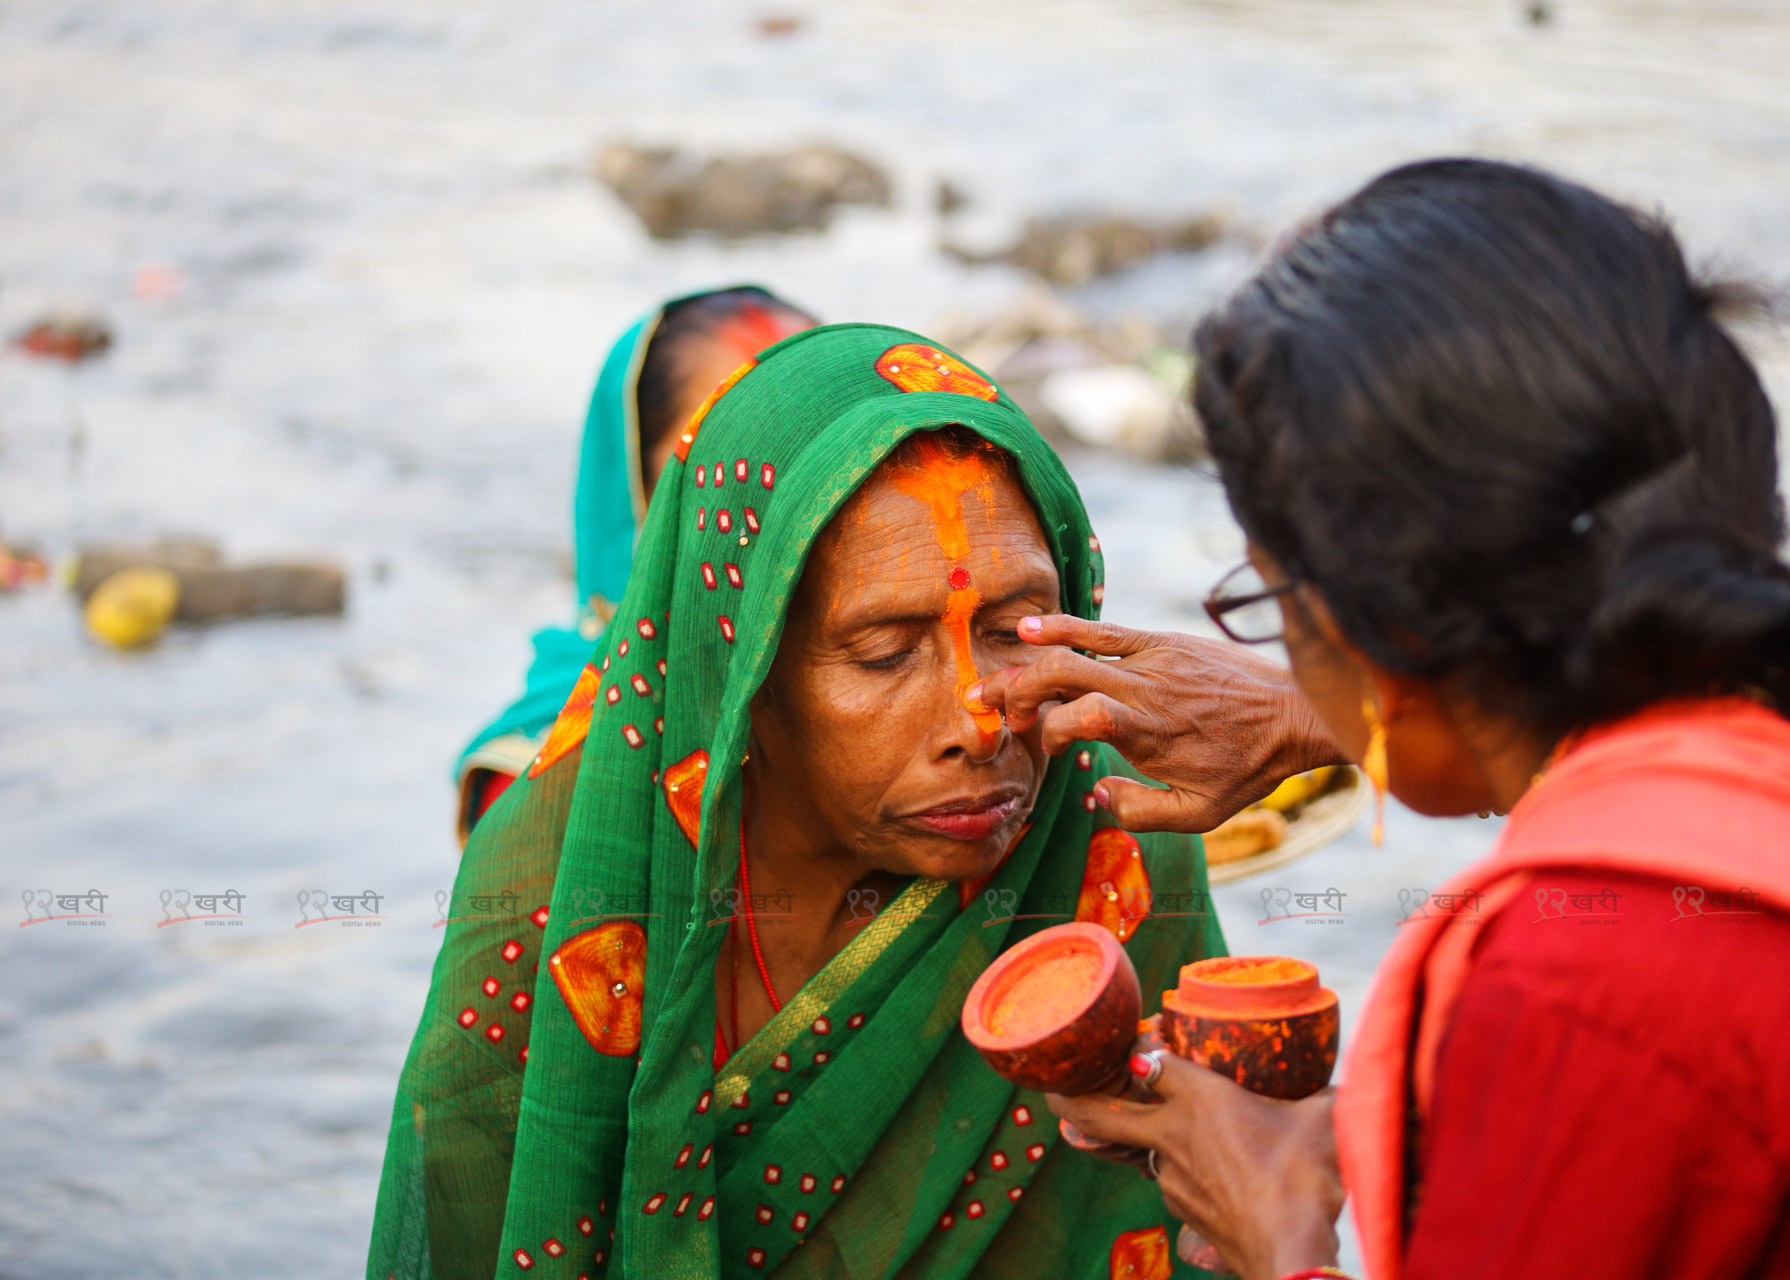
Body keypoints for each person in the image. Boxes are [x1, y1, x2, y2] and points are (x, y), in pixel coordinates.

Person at [981, 160, 1790, 1279]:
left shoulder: (1576, 982)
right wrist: (1326, 716)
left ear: (1376, 629)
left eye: (1273, 606)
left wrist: (1278, 1236)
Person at [371, 324, 1226, 1279]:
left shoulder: (1106, 841)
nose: (979, 721)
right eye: (883, 652)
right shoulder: (564, 885)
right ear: (745, 675)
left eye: (1016, 631)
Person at [455, 286, 818, 842]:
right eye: (737, 455)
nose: (791, 490)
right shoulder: (551, 771)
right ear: (636, 490)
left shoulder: (946, 680)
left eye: (823, 446)